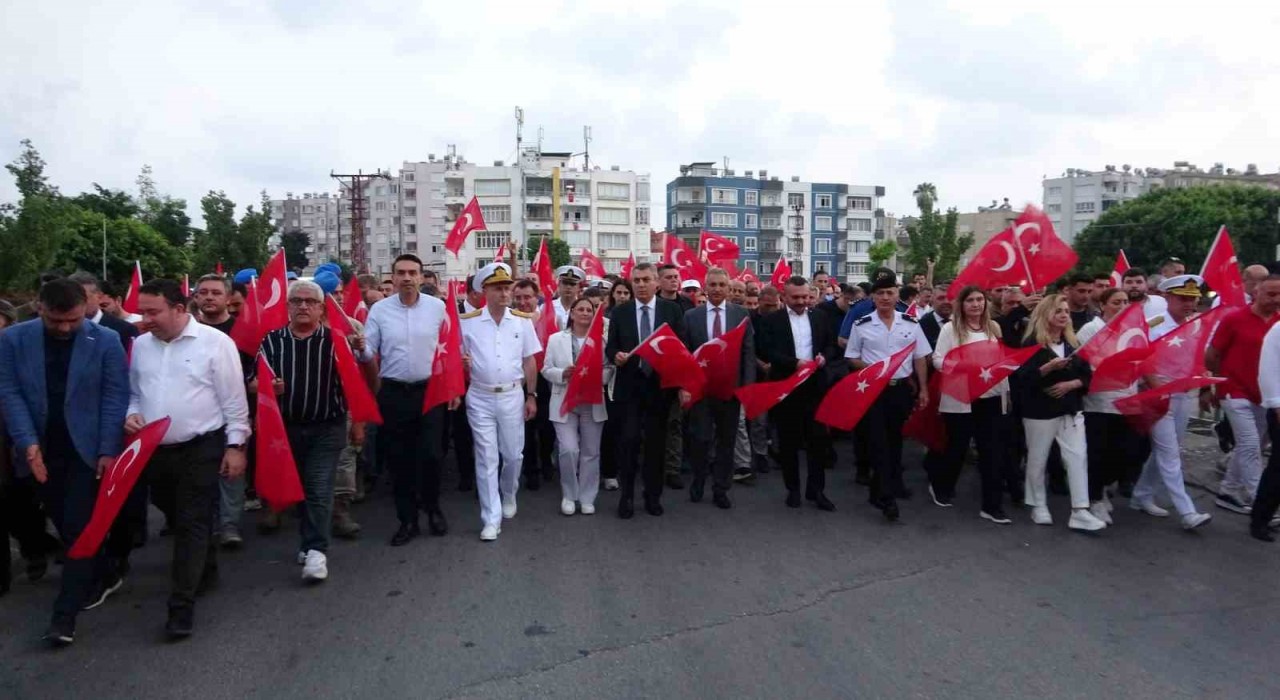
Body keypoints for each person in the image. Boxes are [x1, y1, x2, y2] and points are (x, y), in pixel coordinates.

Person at [0, 279, 129, 646]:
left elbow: (115, 396)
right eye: (56, 321)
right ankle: (104, 570)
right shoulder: (12, 340)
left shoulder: (103, 340)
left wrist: (107, 449)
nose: (65, 328)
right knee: (67, 523)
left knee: (76, 529)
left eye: (73, 320)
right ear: (39, 307)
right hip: (39, 448)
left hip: (84, 450)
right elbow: (9, 393)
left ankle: (64, 616)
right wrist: (27, 444)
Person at [126, 279, 251, 638]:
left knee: (193, 521)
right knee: (175, 513)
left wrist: (235, 446)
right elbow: (135, 395)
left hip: (202, 447)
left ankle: (181, 606)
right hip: (154, 451)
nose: (145, 318)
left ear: (179, 309)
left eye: (153, 311)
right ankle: (206, 564)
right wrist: (130, 415)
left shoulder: (216, 344)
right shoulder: (140, 346)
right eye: (142, 311)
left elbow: (234, 401)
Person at [256, 280, 358, 581]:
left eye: (309, 302)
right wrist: (267, 386)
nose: (303, 306)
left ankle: (316, 551)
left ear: (320, 309)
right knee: (298, 488)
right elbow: (252, 380)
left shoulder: (335, 340)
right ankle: (307, 539)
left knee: (318, 486)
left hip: (327, 426)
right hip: (285, 429)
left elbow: (353, 387)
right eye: (296, 301)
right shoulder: (272, 341)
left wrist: (359, 425)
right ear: (287, 306)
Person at [356, 254, 450, 546]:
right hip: (395, 393)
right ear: (393, 277)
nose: (407, 277)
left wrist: (453, 388)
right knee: (400, 460)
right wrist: (360, 347)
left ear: (422, 277)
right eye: (401, 273)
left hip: (430, 392)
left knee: (432, 456)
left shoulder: (437, 308)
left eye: (412, 272)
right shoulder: (380, 311)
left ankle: (433, 507)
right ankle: (407, 519)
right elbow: (369, 349)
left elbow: (449, 346)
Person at [460, 263, 541, 541]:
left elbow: (529, 360)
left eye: (507, 287)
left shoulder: (521, 320)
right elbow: (456, 358)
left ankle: (509, 493)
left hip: (512, 395)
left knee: (513, 454)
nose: (505, 293)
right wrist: (462, 364)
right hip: (480, 395)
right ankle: (490, 518)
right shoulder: (468, 321)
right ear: (485, 291)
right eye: (498, 288)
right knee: (486, 457)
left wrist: (531, 395)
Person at [1012, 294, 1106, 531]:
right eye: (1058, 311)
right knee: (1038, 458)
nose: (1064, 315)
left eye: (1065, 311)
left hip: (1071, 410)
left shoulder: (1073, 344)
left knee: (1077, 457)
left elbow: (1087, 375)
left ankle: (1080, 510)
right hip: (1039, 411)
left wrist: (1072, 384)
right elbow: (1020, 379)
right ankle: (1038, 504)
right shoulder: (1031, 344)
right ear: (1046, 315)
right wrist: (1046, 369)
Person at [1127, 275, 1213, 530]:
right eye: (1183, 299)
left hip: (1183, 395)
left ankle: (1141, 495)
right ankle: (1187, 512)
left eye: (1193, 299)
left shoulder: (1195, 324)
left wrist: (1205, 382)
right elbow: (1141, 360)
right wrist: (1157, 388)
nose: (1189, 304)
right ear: (1167, 298)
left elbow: (1199, 358)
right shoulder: (1154, 325)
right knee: (1170, 453)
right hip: (1157, 395)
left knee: (1164, 450)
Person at [846, 272, 932, 521]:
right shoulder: (861, 325)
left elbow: (920, 358)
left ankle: (886, 486)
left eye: (890, 292)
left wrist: (924, 388)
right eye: (880, 293)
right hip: (873, 390)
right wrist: (875, 370)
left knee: (895, 440)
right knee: (878, 442)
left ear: (897, 295)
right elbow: (851, 357)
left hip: (901, 390)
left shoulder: (911, 323)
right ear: (873, 297)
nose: (885, 297)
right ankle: (886, 498)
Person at [605, 263, 687, 518]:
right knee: (628, 443)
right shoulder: (621, 312)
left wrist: (682, 383)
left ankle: (653, 496)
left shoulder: (671, 310)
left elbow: (681, 347)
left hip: (659, 388)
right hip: (630, 387)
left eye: (646, 280)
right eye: (636, 280)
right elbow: (611, 346)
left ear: (656, 283)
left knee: (656, 445)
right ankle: (627, 496)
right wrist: (615, 355)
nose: (641, 284)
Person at [927, 285, 1013, 523]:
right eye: (970, 300)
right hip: (961, 395)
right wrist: (962, 368)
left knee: (992, 451)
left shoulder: (993, 327)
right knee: (957, 447)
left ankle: (992, 505)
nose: (976, 304)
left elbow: (1001, 358)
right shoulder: (950, 329)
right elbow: (937, 359)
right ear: (961, 305)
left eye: (980, 299)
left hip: (992, 396)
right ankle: (941, 485)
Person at [758, 276, 842, 512]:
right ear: (784, 297)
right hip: (786, 388)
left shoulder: (820, 317)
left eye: (805, 297)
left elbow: (832, 345)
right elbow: (766, 350)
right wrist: (794, 363)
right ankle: (792, 489)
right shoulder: (772, 320)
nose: (801, 301)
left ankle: (817, 490)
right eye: (795, 297)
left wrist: (824, 357)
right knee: (789, 442)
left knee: (818, 441)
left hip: (815, 388)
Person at [1206, 275, 1280, 515]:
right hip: (1233, 390)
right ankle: (1259, 498)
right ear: (1256, 292)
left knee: (1254, 443)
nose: (1275, 300)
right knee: (1249, 445)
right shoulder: (1234, 319)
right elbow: (1213, 354)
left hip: (1262, 394)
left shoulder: (1278, 323)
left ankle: (1228, 491)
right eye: (1270, 294)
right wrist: (1214, 385)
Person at [682, 267, 755, 510]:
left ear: (728, 288)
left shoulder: (741, 314)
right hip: (701, 390)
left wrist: (746, 388)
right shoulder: (691, 316)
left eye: (721, 285)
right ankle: (699, 481)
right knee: (700, 439)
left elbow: (747, 352)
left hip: (730, 390)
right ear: (705, 287)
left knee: (727, 440)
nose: (717, 289)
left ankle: (721, 488)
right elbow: (685, 354)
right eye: (712, 285)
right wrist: (686, 386)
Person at [1077, 287, 1145, 525]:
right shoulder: (1092, 329)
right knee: (1098, 453)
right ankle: (1094, 498)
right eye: (1116, 302)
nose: (1122, 306)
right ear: (1103, 305)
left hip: (1127, 399)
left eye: (1126, 302)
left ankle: (1104, 487)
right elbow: (1084, 362)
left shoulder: (1132, 329)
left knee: (1125, 452)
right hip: (1099, 402)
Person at [543, 297, 609, 515]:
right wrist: (563, 373)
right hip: (564, 401)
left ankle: (587, 496)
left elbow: (609, 370)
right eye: (580, 309)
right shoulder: (555, 339)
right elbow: (546, 369)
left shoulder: (602, 340)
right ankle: (569, 494)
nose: (584, 313)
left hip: (592, 402)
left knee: (591, 452)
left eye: (589, 310)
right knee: (569, 450)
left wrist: (595, 377)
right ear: (571, 314)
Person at [513, 279, 555, 491]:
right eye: (518, 297)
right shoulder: (510, 319)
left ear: (535, 296)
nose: (522, 302)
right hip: (521, 381)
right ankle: (531, 470)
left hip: (546, 379)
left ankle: (546, 460)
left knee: (547, 426)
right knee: (527, 428)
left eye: (527, 297)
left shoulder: (548, 317)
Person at [917, 283, 953, 350]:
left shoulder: (963, 321)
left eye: (950, 298)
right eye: (941, 298)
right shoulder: (922, 325)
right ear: (931, 301)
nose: (946, 302)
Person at [552, 265, 585, 329]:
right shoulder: (548, 307)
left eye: (572, 284)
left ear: (578, 287)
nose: (568, 287)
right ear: (559, 284)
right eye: (565, 283)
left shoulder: (583, 309)